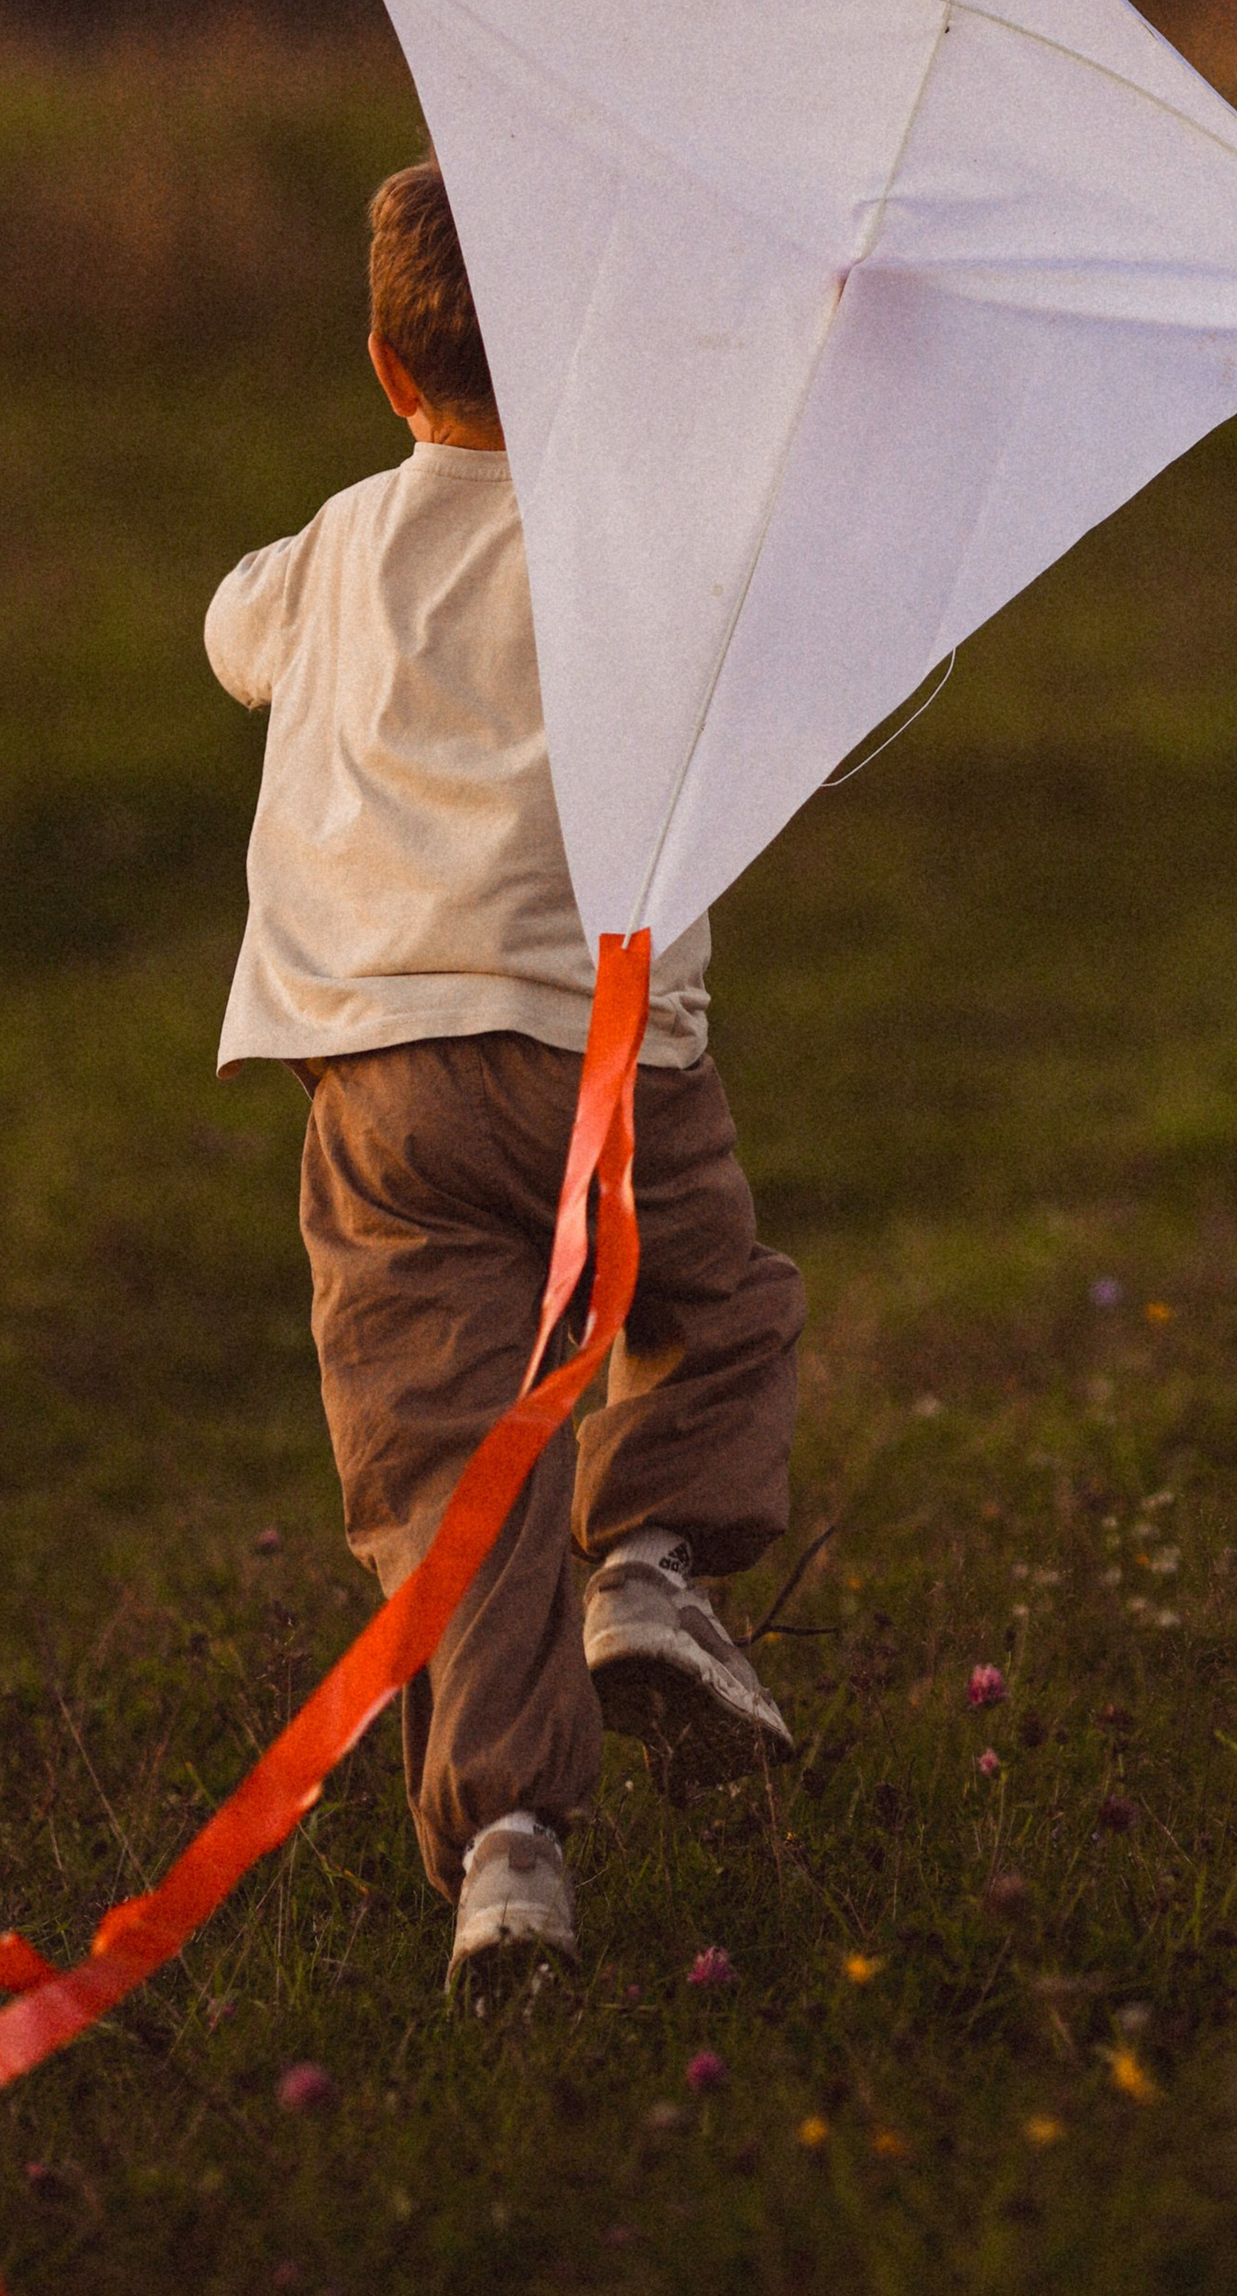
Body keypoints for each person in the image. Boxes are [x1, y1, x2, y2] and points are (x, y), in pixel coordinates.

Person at [204, 158, 805, 1998]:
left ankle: (511, 1854)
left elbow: (230, 633)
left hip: (376, 1083)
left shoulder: (322, 557)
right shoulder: (644, 547)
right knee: (713, 1313)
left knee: (450, 1474)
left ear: (387, 370)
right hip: (607, 1062)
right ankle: (652, 1560)